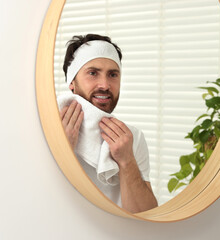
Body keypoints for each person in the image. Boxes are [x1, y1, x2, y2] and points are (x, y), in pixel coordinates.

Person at [60, 34, 158, 213]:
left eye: (113, 74)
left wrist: (127, 160)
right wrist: (62, 151)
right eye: (92, 73)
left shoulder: (131, 138)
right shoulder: (48, 128)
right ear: (72, 82)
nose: (104, 85)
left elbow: (146, 216)